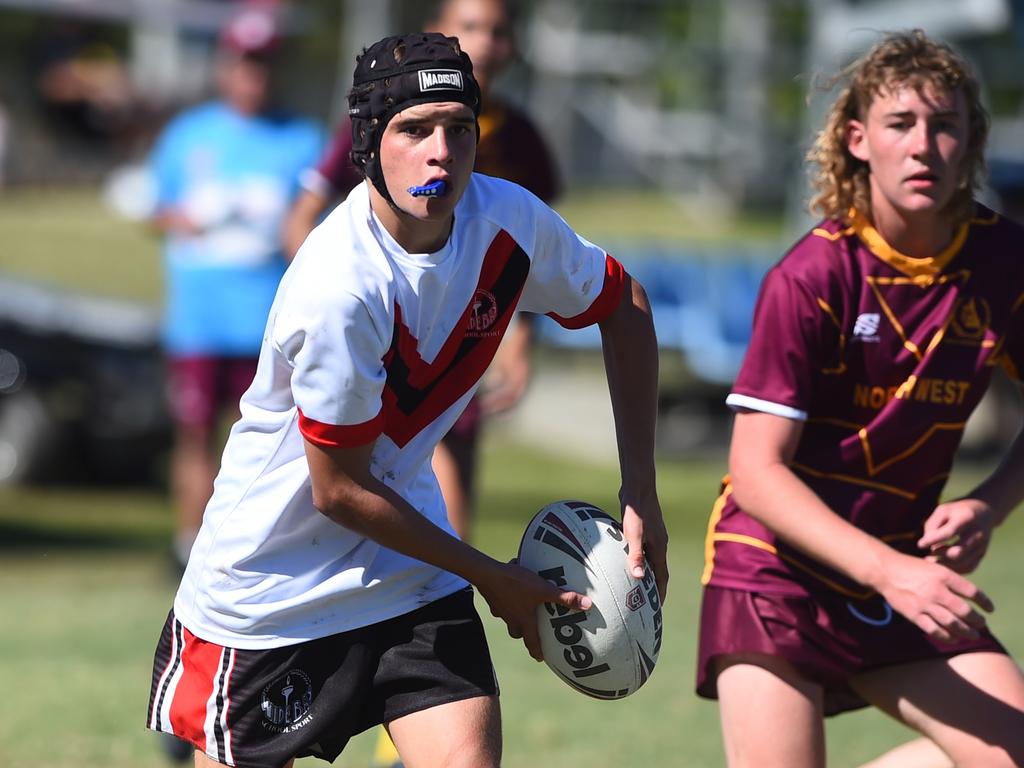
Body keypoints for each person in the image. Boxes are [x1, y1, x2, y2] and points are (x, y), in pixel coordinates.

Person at [146, 31, 668, 768]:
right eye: (414, 129)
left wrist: (640, 490)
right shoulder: (338, 286)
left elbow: (625, 305)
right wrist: (493, 579)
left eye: (459, 127)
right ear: (367, 144)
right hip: (271, 586)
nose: (441, 151)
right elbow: (338, 491)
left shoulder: (508, 225)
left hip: (407, 564)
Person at [696, 29, 1024, 768]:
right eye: (901, 124)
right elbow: (756, 472)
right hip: (773, 570)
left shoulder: (1005, 263)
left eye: (945, 125)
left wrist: (991, 502)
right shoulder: (813, 276)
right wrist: (888, 570)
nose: (923, 146)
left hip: (899, 566)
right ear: (857, 139)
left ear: (971, 138)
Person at [281, 0, 560, 543]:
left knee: (447, 482)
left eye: (498, 31)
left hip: (460, 340)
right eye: (470, 28)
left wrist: (521, 335)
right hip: (381, 335)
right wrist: (331, 303)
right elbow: (301, 217)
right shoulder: (388, 112)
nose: (484, 43)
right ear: (440, 35)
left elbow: (533, 249)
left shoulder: (520, 138)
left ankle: (442, 587)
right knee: (344, 479)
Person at [147, 7, 323, 571]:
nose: (255, 77)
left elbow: (318, 227)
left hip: (269, 322)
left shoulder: (302, 140)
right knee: (195, 432)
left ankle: (252, 552)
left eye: (265, 64)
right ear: (226, 66)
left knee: (266, 445)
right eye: (245, 64)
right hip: (200, 318)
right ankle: (189, 547)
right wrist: (197, 217)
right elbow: (158, 208)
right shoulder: (189, 134)